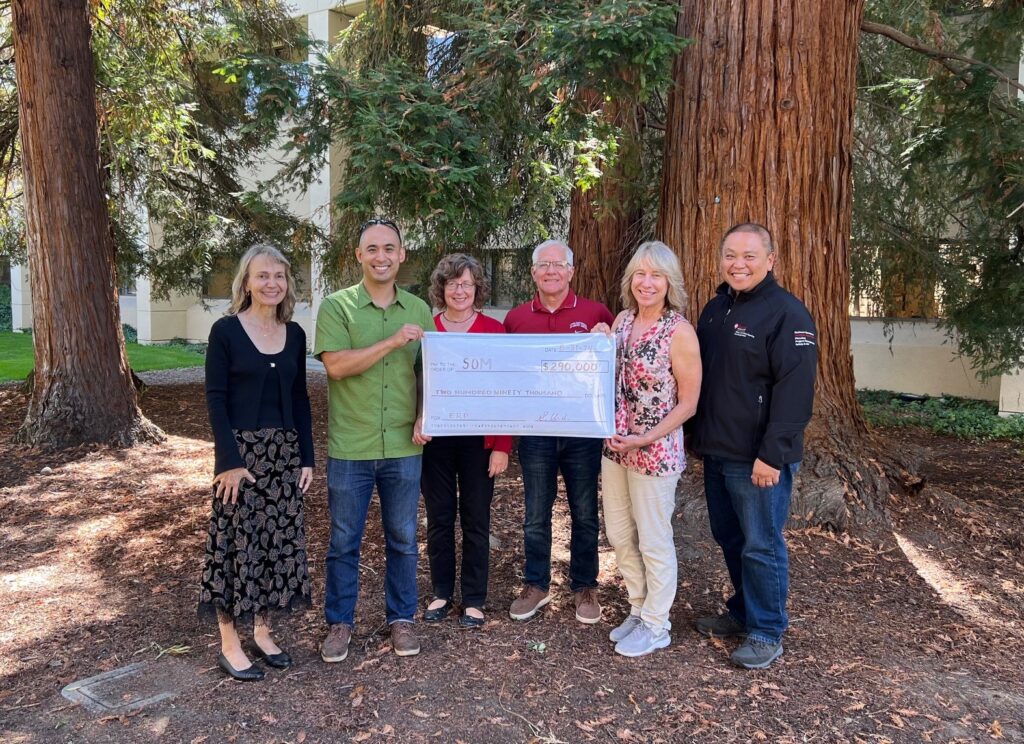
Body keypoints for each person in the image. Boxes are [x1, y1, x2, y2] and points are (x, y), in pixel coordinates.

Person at [691, 223, 817, 670]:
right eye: (730, 254)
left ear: (771, 260)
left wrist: (773, 454)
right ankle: (743, 612)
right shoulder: (715, 308)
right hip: (718, 450)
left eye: (748, 256)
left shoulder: (787, 313)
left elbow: (796, 390)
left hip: (758, 458)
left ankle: (767, 629)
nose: (737, 264)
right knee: (731, 538)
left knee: (761, 544)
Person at [314, 218, 433, 661]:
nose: (381, 256)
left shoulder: (419, 310)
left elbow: (429, 372)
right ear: (358, 256)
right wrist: (390, 342)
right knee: (344, 541)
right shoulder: (337, 307)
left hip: (404, 445)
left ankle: (401, 619)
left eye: (390, 248)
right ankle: (339, 624)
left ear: (402, 255)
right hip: (352, 446)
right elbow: (337, 366)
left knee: (402, 538)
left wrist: (425, 415)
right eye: (372, 249)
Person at [199, 243, 315, 681]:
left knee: (275, 545)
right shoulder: (226, 331)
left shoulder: (296, 333)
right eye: (263, 275)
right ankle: (229, 642)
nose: (272, 283)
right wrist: (226, 461)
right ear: (247, 281)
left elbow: (301, 399)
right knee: (234, 547)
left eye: (279, 276)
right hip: (240, 457)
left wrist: (306, 456)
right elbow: (215, 399)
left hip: (284, 455)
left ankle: (263, 631)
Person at [591, 241, 701, 657]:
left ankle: (657, 624)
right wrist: (602, 339)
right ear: (630, 280)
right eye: (640, 274)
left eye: (657, 275)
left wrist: (645, 437)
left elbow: (688, 404)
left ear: (670, 282)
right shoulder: (621, 320)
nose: (647, 282)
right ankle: (638, 609)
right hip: (616, 447)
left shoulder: (679, 331)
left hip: (654, 453)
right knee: (620, 535)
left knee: (654, 539)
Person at [503, 239, 614, 624]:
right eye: (543, 265)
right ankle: (536, 583)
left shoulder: (597, 313)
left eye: (558, 264)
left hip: (583, 433)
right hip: (535, 433)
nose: (551, 271)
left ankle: (585, 585)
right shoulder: (515, 319)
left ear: (571, 271)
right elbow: (507, 376)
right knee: (536, 512)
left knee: (584, 511)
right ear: (532, 272)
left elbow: (614, 367)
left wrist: (607, 337)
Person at [413, 254, 512, 628]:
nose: (459, 290)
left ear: (477, 289)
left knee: (476, 518)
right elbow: (416, 385)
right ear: (442, 287)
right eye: (453, 283)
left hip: (479, 442)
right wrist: (417, 420)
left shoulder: (493, 330)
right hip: (435, 439)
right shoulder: (427, 329)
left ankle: (473, 598)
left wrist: (502, 444)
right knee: (439, 518)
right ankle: (441, 592)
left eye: (467, 283)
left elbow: (506, 390)